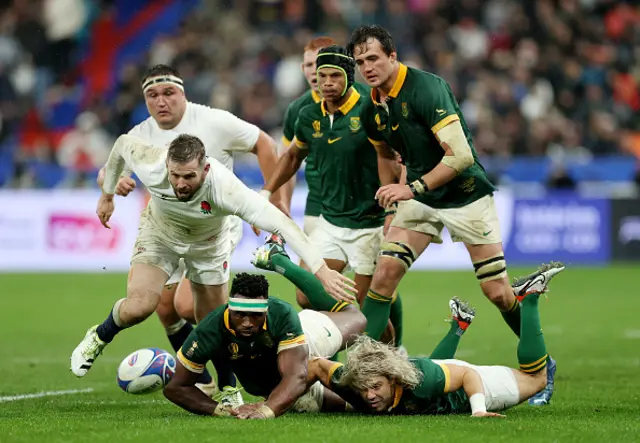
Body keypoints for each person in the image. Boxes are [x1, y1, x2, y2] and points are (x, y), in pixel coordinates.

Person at [345, 24, 556, 405]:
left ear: (393, 56)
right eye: (360, 62)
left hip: (464, 194)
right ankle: (362, 371)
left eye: (373, 58)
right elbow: (382, 153)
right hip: (420, 197)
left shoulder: (426, 88)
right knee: (385, 272)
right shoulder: (371, 107)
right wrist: (394, 204)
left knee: (496, 290)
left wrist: (410, 189)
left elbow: (461, 156)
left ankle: (543, 365)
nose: (367, 67)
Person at [70, 134, 355, 391]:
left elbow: (283, 224)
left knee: (217, 321)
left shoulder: (227, 189)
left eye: (189, 177)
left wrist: (321, 269)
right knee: (139, 307)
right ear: (166, 166)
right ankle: (100, 335)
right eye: (175, 175)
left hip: (209, 245)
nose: (181, 184)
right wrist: (107, 195)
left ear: (206, 169)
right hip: (160, 233)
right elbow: (120, 144)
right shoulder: (152, 163)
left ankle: (227, 388)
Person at [96, 64, 286, 395]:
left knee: (188, 306)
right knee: (164, 308)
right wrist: (112, 183)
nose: (161, 101)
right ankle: (203, 377)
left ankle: (239, 374)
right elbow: (108, 169)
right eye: (152, 95)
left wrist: (271, 199)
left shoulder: (214, 121)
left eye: (168, 93)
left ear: (183, 94)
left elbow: (265, 144)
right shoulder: (140, 134)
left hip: (214, 227)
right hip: (168, 227)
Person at [262, 45, 403, 342]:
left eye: (334, 76)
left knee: (364, 310)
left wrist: (393, 209)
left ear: (348, 78)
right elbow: (291, 157)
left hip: (369, 224)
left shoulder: (370, 107)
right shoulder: (307, 114)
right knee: (306, 294)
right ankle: (368, 346)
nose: (326, 83)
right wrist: (267, 192)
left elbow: (393, 156)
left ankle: (388, 355)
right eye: (321, 75)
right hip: (330, 221)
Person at [307, 262, 565, 416]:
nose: (369, 394)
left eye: (375, 386)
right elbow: (316, 364)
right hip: (439, 381)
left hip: (478, 387)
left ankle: (528, 297)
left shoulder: (423, 379)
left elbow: (466, 375)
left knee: (537, 379)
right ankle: (459, 325)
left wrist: (478, 409)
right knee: (432, 374)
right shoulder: (357, 383)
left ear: (393, 379)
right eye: (365, 389)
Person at [164, 239, 366, 419]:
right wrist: (221, 411)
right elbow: (176, 387)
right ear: (230, 309)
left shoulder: (282, 314)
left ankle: (281, 263)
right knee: (351, 406)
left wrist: (266, 411)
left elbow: (296, 376)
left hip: (302, 347)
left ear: (266, 311)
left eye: (255, 316)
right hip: (275, 382)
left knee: (356, 318)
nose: (247, 323)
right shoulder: (210, 328)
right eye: (240, 315)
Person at [280, 36, 337, 236]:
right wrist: (284, 206)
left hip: (365, 207)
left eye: (320, 62)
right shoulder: (297, 110)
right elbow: (287, 163)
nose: (314, 70)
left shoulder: (365, 100)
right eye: (309, 64)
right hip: (318, 207)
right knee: (313, 267)